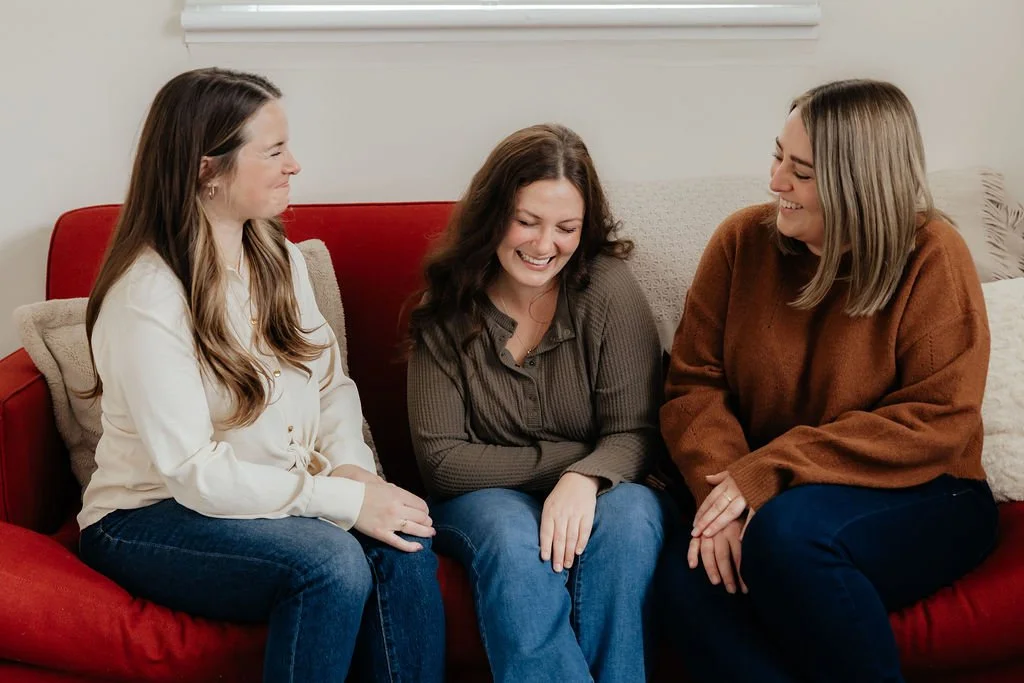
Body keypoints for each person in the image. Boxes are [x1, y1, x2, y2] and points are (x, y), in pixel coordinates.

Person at [77, 67, 445, 683]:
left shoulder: (275, 255)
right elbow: (193, 473)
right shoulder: (147, 298)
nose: (294, 164)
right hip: (149, 516)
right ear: (206, 169)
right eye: (273, 151)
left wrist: (353, 466)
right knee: (330, 564)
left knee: (404, 537)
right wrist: (342, 502)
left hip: (265, 496)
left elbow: (329, 383)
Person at [656, 78, 1000, 683]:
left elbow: (938, 417)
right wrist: (727, 501)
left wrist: (764, 476)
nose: (774, 182)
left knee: (788, 538)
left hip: (924, 491)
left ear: (858, 183)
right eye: (778, 156)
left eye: (802, 172)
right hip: (771, 496)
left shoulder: (933, 254)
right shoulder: (741, 242)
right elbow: (694, 386)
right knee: (690, 574)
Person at [407, 123, 674, 683]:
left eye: (566, 227)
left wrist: (587, 478)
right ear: (492, 214)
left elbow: (637, 433)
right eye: (526, 221)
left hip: (605, 487)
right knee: (509, 533)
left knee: (630, 517)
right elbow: (444, 462)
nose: (543, 244)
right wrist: (577, 460)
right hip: (483, 499)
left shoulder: (607, 289)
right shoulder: (448, 304)